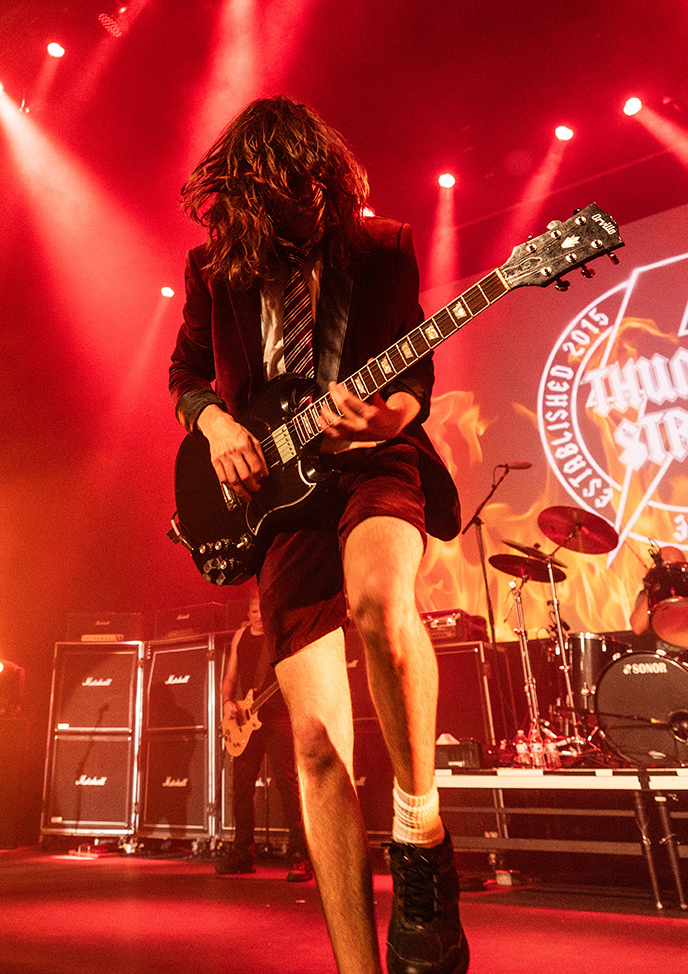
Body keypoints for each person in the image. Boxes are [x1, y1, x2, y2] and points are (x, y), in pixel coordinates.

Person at [170, 96, 466, 974]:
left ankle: (420, 836)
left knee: (378, 604)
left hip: (374, 461)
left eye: (310, 188)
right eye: (280, 195)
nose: (301, 206)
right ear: (247, 195)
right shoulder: (214, 266)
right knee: (312, 743)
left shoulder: (384, 248)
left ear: (327, 177)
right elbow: (186, 372)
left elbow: (415, 370)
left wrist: (390, 414)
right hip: (277, 494)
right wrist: (217, 428)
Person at [219, 590, 312, 882]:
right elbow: (230, 676)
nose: (259, 617)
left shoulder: (280, 636)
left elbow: (298, 674)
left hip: (277, 716)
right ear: (248, 613)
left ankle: (300, 855)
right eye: (254, 611)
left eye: (262, 610)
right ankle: (243, 853)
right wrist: (227, 701)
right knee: (241, 786)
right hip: (246, 720)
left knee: (287, 783)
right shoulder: (240, 637)